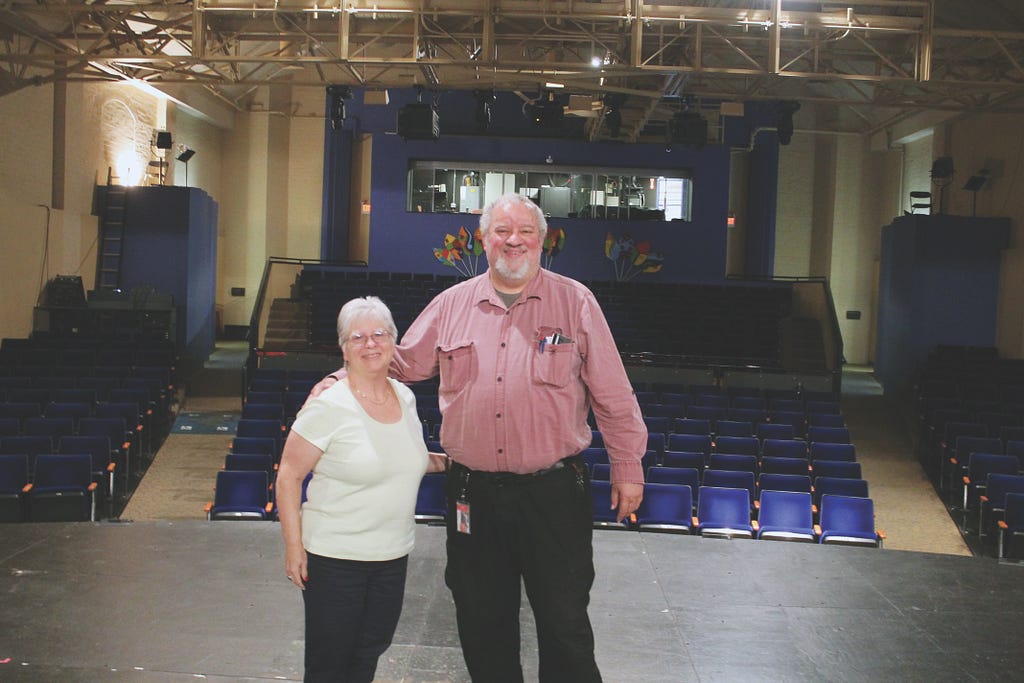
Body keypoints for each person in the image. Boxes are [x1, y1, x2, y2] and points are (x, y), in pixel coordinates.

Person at [314, 193, 646, 682]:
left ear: (542, 240)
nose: (514, 241)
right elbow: (401, 363)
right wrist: (343, 376)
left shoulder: (575, 302)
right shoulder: (451, 305)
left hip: (553, 493)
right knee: (481, 621)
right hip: (474, 495)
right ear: (484, 239)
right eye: (502, 232)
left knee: (565, 621)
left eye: (525, 232)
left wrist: (628, 466)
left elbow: (613, 393)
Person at [276, 296, 448, 683]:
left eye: (379, 334)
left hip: (391, 555)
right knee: (330, 663)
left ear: (393, 342)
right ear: (344, 349)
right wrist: (292, 547)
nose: (370, 344)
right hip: (334, 557)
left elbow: (412, 458)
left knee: (369, 651)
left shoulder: (404, 398)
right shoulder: (327, 405)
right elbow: (288, 476)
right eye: (358, 337)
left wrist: (460, 461)